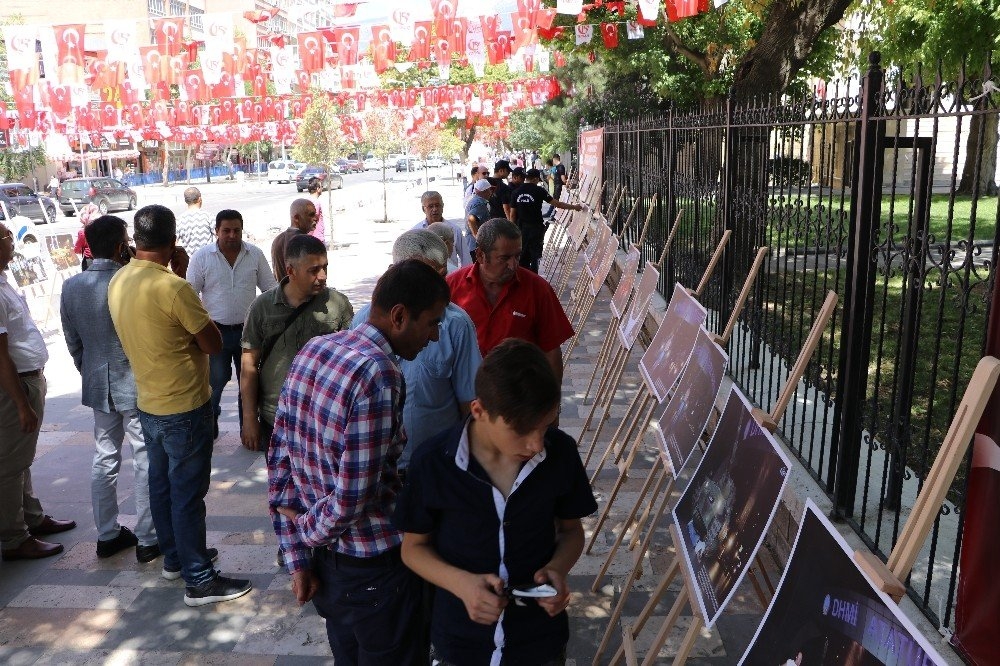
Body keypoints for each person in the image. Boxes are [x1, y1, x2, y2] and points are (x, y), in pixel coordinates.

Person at [268, 259, 450, 664]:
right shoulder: (379, 374)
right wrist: (309, 533)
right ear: (400, 316)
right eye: (432, 323)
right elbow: (352, 497)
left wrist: (297, 551)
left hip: (331, 571)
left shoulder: (315, 349)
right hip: (374, 571)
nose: (435, 336)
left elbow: (279, 463)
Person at [394, 338, 597, 666]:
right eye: (521, 430)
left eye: (544, 427)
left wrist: (557, 569)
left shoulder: (560, 454)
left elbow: (571, 532)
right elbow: (412, 549)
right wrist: (462, 584)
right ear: (479, 411)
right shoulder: (433, 462)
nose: (535, 444)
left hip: (538, 641)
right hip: (461, 642)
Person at [109, 204, 251, 607]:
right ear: (173, 243)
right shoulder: (173, 288)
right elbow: (212, 342)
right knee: (188, 493)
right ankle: (200, 580)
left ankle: (176, 557)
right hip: (184, 405)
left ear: (136, 241)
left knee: (162, 485)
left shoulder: (119, 280)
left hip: (149, 402)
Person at [61, 215, 158, 562]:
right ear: (122, 246)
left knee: (105, 458)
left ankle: (107, 534)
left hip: (99, 384)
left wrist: (89, 370)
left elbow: (74, 343)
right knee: (144, 458)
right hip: (136, 383)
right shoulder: (131, 280)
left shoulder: (72, 287)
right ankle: (148, 538)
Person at [352, 230, 481, 473]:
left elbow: (470, 403)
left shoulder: (456, 324)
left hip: (438, 467)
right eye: (423, 276)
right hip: (378, 471)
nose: (436, 288)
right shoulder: (363, 321)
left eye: (441, 276)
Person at [0, 221, 77, 561]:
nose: (11, 241)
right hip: (16, 384)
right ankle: (15, 537)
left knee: (21, 459)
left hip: (29, 378)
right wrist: (20, 403)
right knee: (11, 465)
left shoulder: (4, 281)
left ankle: (31, 518)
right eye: (5, 237)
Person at [239, 233, 354, 453]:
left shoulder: (337, 304)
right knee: (281, 484)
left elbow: (349, 360)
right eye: (313, 270)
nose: (322, 276)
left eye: (325, 267)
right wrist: (249, 418)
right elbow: (249, 365)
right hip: (277, 416)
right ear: (290, 271)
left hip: (323, 416)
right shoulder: (262, 307)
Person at [446, 218, 574, 386]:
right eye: (504, 258)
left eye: (517, 256)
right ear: (480, 255)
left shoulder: (538, 290)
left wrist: (552, 404)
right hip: (464, 396)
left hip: (520, 397)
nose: (513, 265)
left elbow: (551, 350)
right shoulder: (452, 286)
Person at [186, 209, 276, 440]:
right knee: (215, 382)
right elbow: (189, 295)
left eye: (236, 230)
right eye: (226, 230)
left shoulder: (254, 255)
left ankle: (248, 429)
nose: (232, 235)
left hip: (250, 334)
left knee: (249, 383)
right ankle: (209, 425)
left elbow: (270, 290)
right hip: (215, 333)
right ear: (216, 231)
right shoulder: (202, 257)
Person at [511, 169, 584, 273]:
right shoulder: (539, 191)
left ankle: (523, 278)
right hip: (536, 227)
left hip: (521, 228)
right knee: (535, 256)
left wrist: (512, 230)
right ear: (535, 178)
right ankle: (534, 278)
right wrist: (574, 207)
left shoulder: (516, 192)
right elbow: (557, 204)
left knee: (522, 255)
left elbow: (512, 214)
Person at [412, 190, 469, 270]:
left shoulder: (454, 230)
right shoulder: (416, 232)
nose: (435, 209)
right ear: (423, 209)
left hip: (450, 276)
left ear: (442, 207)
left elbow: (465, 257)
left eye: (437, 205)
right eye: (430, 206)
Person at [270, 198, 317, 282]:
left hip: (283, 293)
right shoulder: (306, 242)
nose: (316, 218)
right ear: (296, 218)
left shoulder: (278, 240)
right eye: (311, 215)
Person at [175, 187, 214, 255]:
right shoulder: (208, 216)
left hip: (189, 263)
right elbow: (220, 236)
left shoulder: (179, 220)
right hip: (208, 260)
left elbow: (174, 242)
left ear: (186, 201)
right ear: (200, 199)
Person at [464, 179, 494, 263]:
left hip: (472, 243)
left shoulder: (474, 200)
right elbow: (471, 219)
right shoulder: (479, 203)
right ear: (484, 191)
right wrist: (478, 237)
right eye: (489, 190)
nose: (490, 192)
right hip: (476, 245)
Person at [72, 203, 102, 270]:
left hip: (89, 260)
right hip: (105, 258)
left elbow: (77, 249)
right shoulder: (104, 228)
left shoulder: (83, 232)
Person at [306, 178, 327, 247]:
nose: (322, 188)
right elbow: (312, 222)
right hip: (316, 239)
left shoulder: (307, 201)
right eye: (321, 186)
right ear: (318, 189)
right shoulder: (315, 203)